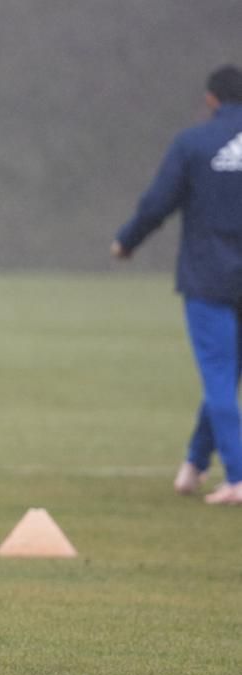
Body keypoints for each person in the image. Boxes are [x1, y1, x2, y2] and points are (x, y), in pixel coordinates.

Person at [112, 64, 242, 506]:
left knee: (220, 376)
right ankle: (194, 465)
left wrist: (127, 242)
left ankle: (239, 477)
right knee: (228, 374)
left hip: (209, 278)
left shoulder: (194, 143)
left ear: (211, 99)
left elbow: (157, 202)